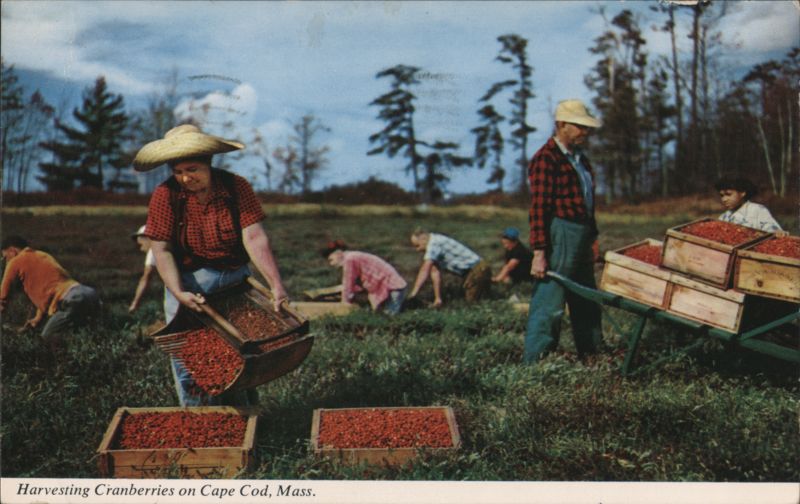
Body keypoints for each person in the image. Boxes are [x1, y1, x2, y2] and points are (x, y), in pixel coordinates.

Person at [133, 124, 289, 406]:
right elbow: (162, 249)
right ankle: (200, 420)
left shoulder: (236, 187)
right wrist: (178, 292)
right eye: (178, 171)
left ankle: (246, 418)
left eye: (192, 169)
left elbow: (254, 237)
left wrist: (276, 285)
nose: (185, 178)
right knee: (192, 360)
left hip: (234, 280)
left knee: (242, 352)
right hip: (188, 284)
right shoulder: (165, 195)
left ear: (209, 163)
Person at [524, 99, 604, 364]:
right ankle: (536, 362)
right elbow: (539, 208)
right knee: (550, 300)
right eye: (579, 126)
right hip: (561, 233)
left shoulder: (581, 160)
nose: (585, 132)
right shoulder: (547, 159)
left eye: (586, 127)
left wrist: (592, 237)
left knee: (587, 298)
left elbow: (587, 203)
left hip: (581, 233)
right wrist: (539, 252)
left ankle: (592, 355)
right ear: (561, 125)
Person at [0, 235, 101, 349]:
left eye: (5, 257)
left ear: (12, 251)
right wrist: (37, 319)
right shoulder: (42, 255)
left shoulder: (15, 262)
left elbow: (2, 297)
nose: (6, 261)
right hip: (88, 294)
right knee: (81, 337)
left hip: (72, 299)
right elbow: (49, 289)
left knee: (47, 338)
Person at [321, 240, 408, 315]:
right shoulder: (353, 257)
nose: (331, 264)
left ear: (338, 253)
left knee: (389, 315)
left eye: (331, 260)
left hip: (393, 286)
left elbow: (348, 282)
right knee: (382, 314)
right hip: (388, 286)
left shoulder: (349, 259)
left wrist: (344, 303)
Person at [408, 229, 491, 307]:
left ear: (423, 239)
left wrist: (413, 293)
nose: (417, 250)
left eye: (417, 246)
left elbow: (424, 270)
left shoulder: (434, 244)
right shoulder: (434, 243)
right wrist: (438, 298)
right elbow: (434, 272)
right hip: (474, 271)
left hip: (477, 269)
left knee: (472, 304)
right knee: (477, 299)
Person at [715, 177, 782, 232]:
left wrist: (776, 232)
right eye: (722, 195)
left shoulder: (758, 210)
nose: (724, 199)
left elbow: (772, 229)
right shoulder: (724, 217)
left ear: (742, 193)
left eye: (728, 194)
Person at [128, 225, 158, 313]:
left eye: (140, 245)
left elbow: (146, 277)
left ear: (148, 238)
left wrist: (135, 303)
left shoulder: (154, 250)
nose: (141, 249)